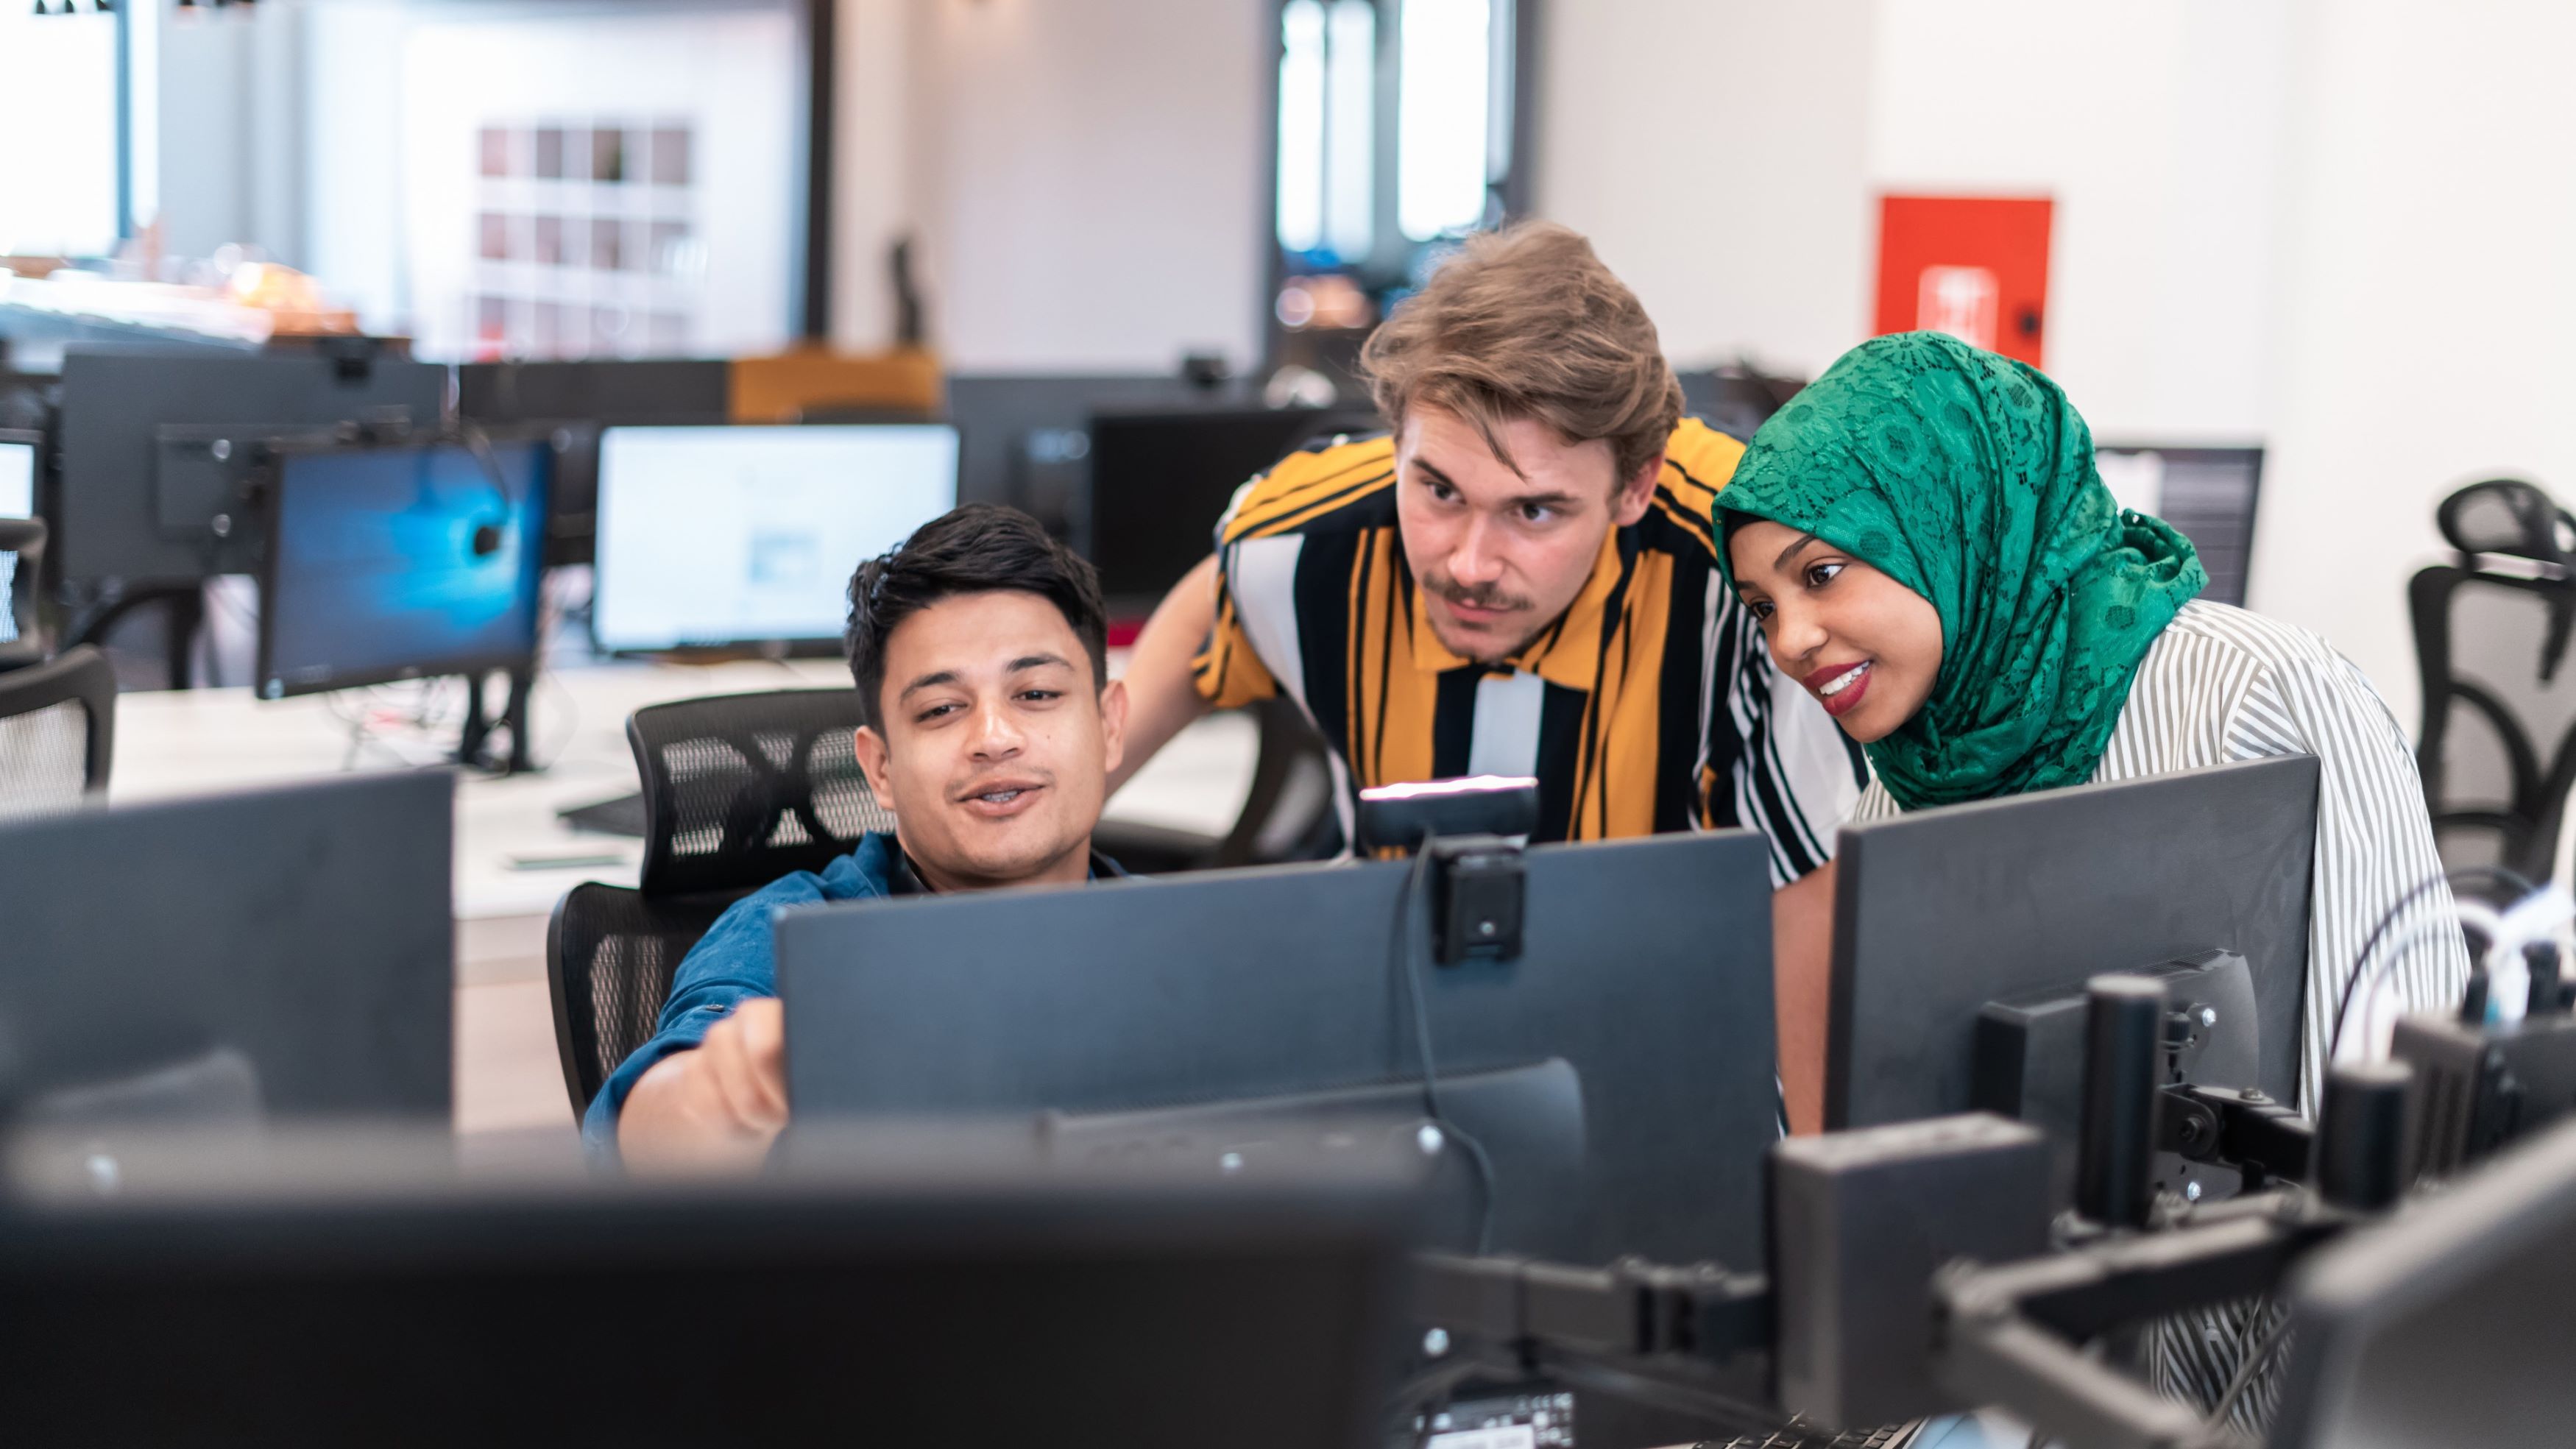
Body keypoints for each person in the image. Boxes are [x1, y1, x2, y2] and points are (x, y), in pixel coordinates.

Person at [1716, 330, 2467, 1428]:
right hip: (2022, 1373)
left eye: (1822, 574)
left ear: (1953, 521)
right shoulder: (1892, 805)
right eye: (1762, 607)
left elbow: (2399, 1139)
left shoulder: (2253, 697)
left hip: (2274, 1377)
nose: (1792, 637)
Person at [1117, 222, 1865, 1127]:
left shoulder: (1747, 576)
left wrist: (1817, 1205)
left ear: (1632, 490)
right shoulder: (1299, 542)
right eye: (1437, 491)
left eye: (1534, 510)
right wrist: (1071, 779)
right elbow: (1218, 597)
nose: (1469, 563)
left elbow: (1806, 905)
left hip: (1667, 1047)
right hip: (1404, 1048)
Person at [590, 504, 1129, 1171]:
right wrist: (723, 1092)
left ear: (1110, 726)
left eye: (1038, 694)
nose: (994, 737)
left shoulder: (1192, 941)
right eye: (941, 709)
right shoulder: (787, 937)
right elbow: (645, 1135)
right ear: (880, 767)